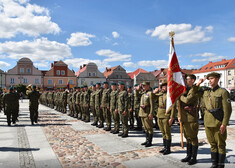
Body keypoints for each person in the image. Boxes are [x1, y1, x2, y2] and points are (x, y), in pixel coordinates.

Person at [197, 72, 232, 168]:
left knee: (220, 144)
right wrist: (199, 83)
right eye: (208, 79)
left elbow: (227, 110)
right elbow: (193, 93)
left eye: (212, 78)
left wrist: (224, 124)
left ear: (217, 79)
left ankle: (220, 165)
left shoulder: (223, 92)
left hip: (218, 122)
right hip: (208, 122)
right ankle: (214, 163)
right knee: (212, 144)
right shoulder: (205, 92)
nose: (210, 81)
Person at [179, 74, 199, 164]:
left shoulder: (195, 90)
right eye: (185, 79)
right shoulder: (185, 90)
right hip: (185, 118)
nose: (186, 81)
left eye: (187, 79)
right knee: (187, 138)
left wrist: (180, 96)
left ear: (193, 80)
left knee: (193, 138)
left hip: (191, 118)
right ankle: (188, 155)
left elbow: (187, 100)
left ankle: (193, 158)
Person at [153, 81, 175, 154]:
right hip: (159, 115)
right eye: (162, 87)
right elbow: (151, 97)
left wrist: (171, 117)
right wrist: (155, 91)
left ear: (168, 87)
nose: (163, 88)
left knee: (167, 132)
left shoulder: (170, 96)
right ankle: (165, 147)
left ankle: (168, 149)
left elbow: (173, 107)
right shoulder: (160, 94)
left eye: (164, 87)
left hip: (166, 116)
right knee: (163, 132)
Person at [137, 82, 154, 147]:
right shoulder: (143, 93)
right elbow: (137, 95)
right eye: (143, 86)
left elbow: (152, 105)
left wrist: (151, 113)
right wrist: (137, 90)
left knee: (149, 128)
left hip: (147, 113)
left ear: (148, 86)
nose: (143, 87)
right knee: (145, 128)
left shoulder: (150, 93)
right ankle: (146, 140)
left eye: (144, 86)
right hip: (142, 113)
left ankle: (149, 141)